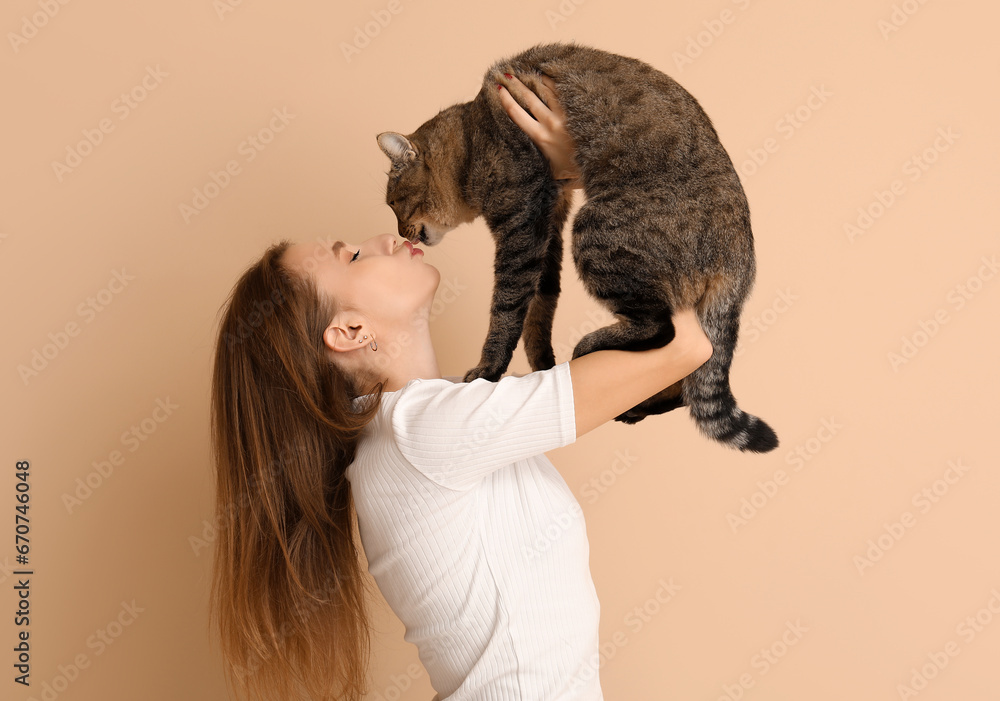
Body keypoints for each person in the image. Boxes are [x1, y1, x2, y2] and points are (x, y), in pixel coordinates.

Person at [208, 72, 713, 701]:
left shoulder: (420, 431)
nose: (385, 237)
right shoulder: (425, 433)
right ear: (349, 329)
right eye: (353, 258)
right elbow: (684, 345)